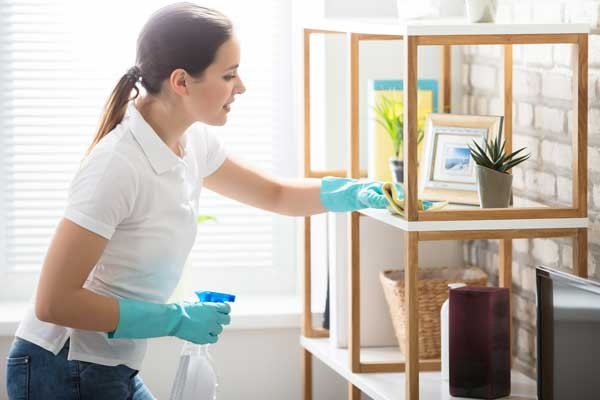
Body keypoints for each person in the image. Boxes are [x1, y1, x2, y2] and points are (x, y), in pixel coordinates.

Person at [4, 3, 394, 399]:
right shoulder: (117, 165)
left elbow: (276, 195)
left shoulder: (192, 144)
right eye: (228, 75)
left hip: (106, 366)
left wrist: (356, 192)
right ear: (181, 81)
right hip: (61, 367)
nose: (240, 87)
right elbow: (55, 302)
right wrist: (173, 319)